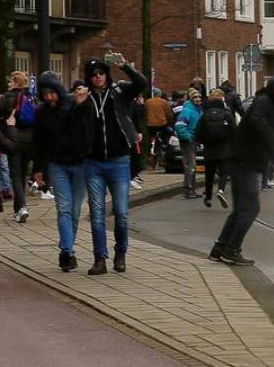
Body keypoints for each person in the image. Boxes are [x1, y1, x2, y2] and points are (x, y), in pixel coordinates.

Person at [74, 58, 148, 275]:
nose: (98, 77)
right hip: (93, 162)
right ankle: (100, 258)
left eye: (101, 73)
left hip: (119, 161)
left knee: (122, 212)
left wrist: (125, 65)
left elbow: (141, 83)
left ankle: (121, 252)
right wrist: (77, 105)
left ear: (106, 74)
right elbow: (73, 125)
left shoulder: (120, 92)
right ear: (88, 77)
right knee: (97, 212)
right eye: (93, 74)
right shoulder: (84, 98)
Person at [210, 75, 274, 266]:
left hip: (245, 161)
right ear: (272, 88)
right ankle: (232, 249)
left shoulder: (272, 107)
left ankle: (220, 248)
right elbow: (258, 122)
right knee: (251, 208)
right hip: (244, 162)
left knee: (240, 210)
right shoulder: (264, 103)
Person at [31, 72, 87, 271]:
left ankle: (68, 247)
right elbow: (39, 141)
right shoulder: (41, 112)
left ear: (58, 91)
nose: (49, 98)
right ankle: (67, 251)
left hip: (80, 163)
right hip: (57, 164)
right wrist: (38, 169)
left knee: (75, 210)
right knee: (63, 207)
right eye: (45, 94)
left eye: (51, 93)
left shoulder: (74, 104)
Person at [0, 71, 37, 223]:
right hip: (29, 142)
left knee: (15, 176)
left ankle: (22, 208)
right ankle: (19, 209)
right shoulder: (31, 97)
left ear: (16, 82)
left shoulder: (7, 97)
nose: (9, 83)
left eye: (11, 81)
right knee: (22, 174)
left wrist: (2, 123)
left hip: (13, 141)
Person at [195, 89, 235, 209]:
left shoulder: (205, 116)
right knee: (224, 172)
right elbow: (234, 131)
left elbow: (198, 133)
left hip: (209, 150)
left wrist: (204, 141)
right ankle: (221, 190)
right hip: (225, 149)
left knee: (209, 175)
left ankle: (208, 197)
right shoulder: (227, 114)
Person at [174, 89, 203, 199]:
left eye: (199, 97)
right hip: (188, 141)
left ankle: (192, 188)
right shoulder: (187, 110)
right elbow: (179, 125)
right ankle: (188, 189)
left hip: (194, 140)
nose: (198, 99)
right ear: (191, 99)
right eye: (195, 97)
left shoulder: (198, 110)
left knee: (192, 166)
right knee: (190, 166)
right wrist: (188, 137)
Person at [144, 89, 174, 170]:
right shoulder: (164, 102)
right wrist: (171, 122)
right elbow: (168, 114)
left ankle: (150, 149)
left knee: (151, 138)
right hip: (161, 124)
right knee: (167, 135)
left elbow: (145, 112)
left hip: (150, 125)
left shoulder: (147, 102)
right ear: (160, 95)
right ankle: (164, 147)